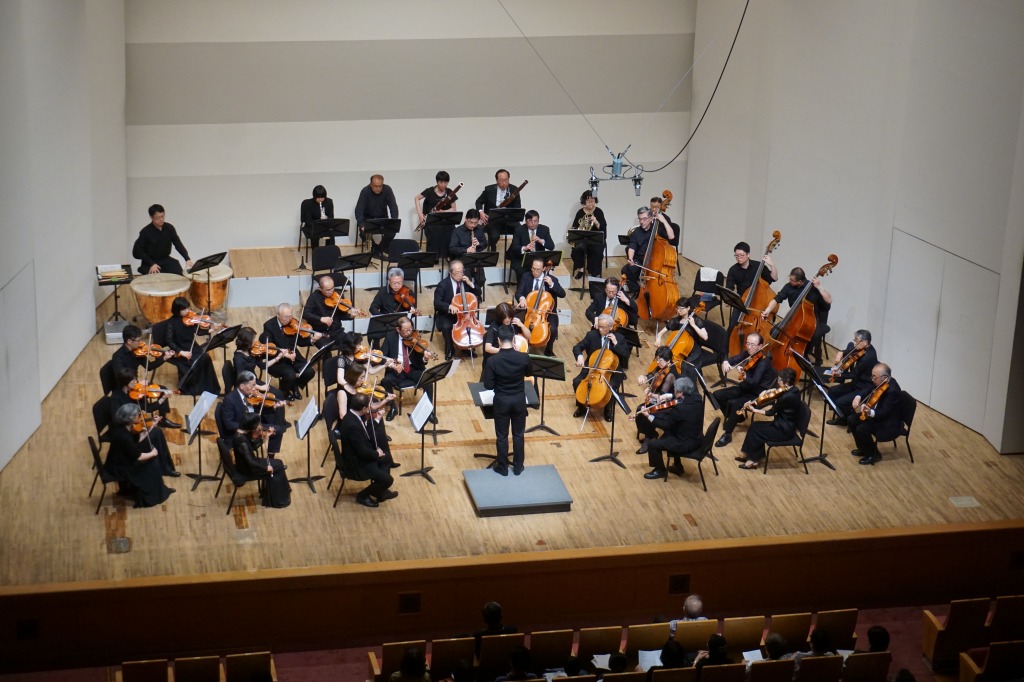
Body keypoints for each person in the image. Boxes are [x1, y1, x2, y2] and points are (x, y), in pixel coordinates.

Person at [110, 367, 179, 477]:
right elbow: (116, 420)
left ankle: (166, 467)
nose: (136, 382)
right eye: (133, 380)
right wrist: (135, 424)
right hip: (127, 433)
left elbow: (149, 408)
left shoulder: (136, 393)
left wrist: (162, 399)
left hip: (135, 427)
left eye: (135, 379)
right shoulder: (116, 398)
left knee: (158, 432)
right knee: (155, 433)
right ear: (125, 383)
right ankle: (160, 467)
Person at [484, 325, 533, 476]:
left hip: (501, 401)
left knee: (502, 436)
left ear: (498, 341)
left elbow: (488, 385)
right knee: (518, 434)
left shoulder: (493, 360)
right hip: (519, 400)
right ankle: (518, 467)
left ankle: (503, 468)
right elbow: (529, 373)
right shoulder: (524, 357)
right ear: (513, 340)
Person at [712, 332, 777, 448]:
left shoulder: (764, 362)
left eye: (752, 345)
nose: (749, 347)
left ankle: (727, 434)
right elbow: (734, 359)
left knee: (735, 404)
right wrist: (726, 362)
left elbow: (755, 382)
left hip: (757, 393)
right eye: (748, 344)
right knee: (717, 395)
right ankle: (737, 417)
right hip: (746, 387)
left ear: (760, 346)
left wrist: (745, 375)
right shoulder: (748, 354)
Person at [105, 403, 175, 508]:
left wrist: (152, 426)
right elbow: (139, 456)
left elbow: (136, 442)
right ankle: (151, 497)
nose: (140, 417)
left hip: (122, 458)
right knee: (153, 464)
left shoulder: (124, 427)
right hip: (120, 466)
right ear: (130, 418)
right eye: (138, 415)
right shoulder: (123, 436)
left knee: (152, 459)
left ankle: (159, 490)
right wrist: (153, 453)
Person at [760, 266, 833, 364]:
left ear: (800, 282)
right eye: (790, 278)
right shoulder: (788, 287)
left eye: (792, 280)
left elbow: (829, 300)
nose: (789, 281)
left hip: (810, 319)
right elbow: (777, 299)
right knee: (774, 331)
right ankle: (776, 353)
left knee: (814, 336)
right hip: (793, 317)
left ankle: (803, 355)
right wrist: (768, 310)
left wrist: (820, 287)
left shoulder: (813, 288)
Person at [336, 391, 396, 508]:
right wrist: (376, 453)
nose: (371, 407)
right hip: (356, 464)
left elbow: (363, 437)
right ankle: (363, 495)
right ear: (363, 409)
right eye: (369, 406)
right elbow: (362, 452)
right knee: (388, 480)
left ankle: (380, 492)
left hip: (358, 455)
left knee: (387, 457)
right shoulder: (353, 426)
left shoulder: (352, 415)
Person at [111, 325, 178, 428]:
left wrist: (164, 358)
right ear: (129, 341)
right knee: (146, 405)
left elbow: (149, 366)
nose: (141, 342)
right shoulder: (118, 357)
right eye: (138, 340)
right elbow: (120, 378)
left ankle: (163, 419)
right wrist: (137, 383)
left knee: (163, 390)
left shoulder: (137, 351)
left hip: (136, 384)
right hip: (126, 388)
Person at [639, 377, 704, 479]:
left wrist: (648, 416)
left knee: (653, 444)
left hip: (686, 442)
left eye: (675, 389)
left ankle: (660, 470)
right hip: (697, 436)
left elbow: (665, 424)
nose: (673, 391)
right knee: (670, 430)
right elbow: (678, 399)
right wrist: (667, 396)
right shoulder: (697, 397)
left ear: (681, 392)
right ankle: (678, 466)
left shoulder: (680, 408)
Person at [736, 367, 801, 470]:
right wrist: (769, 390)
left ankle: (753, 460)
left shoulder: (786, 397)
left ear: (787, 381)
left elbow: (770, 412)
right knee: (754, 426)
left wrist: (754, 410)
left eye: (780, 380)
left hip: (783, 430)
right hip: (783, 424)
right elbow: (780, 392)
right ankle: (751, 456)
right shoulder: (795, 390)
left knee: (756, 431)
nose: (778, 382)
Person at [572, 314, 631, 422]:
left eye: (603, 327)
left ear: (611, 327)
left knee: (611, 386)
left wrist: (615, 343)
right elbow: (577, 347)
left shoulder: (619, 338)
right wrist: (579, 356)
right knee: (577, 381)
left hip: (612, 369)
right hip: (592, 366)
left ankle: (608, 409)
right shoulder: (591, 335)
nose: (600, 329)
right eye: (599, 326)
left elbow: (625, 355)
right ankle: (581, 406)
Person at [232, 327, 290, 432]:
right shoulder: (238, 359)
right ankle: (273, 424)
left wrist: (278, 357)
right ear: (247, 344)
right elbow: (242, 380)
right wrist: (259, 387)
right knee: (271, 397)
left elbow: (263, 365)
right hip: (248, 387)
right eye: (253, 340)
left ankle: (280, 422)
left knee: (278, 393)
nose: (255, 342)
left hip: (254, 381)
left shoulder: (252, 351)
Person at [260, 303, 322, 401]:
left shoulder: (293, 323)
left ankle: (294, 385)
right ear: (278, 315)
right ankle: (284, 392)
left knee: (309, 371)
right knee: (290, 374)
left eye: (290, 316)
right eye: (286, 317)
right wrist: (283, 354)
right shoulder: (269, 326)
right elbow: (269, 347)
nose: (289, 319)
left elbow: (300, 342)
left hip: (294, 356)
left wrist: (313, 340)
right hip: (277, 358)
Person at [380, 316, 436, 421]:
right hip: (398, 369)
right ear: (398, 329)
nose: (409, 332)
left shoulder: (415, 337)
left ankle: (428, 410)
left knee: (429, 380)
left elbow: (420, 359)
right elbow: (382, 356)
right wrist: (393, 364)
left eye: (410, 329)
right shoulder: (390, 337)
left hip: (413, 368)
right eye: (406, 330)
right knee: (385, 381)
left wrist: (425, 358)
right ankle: (393, 408)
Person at [164, 297, 221, 396]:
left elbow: (199, 332)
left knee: (206, 357)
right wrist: (181, 352)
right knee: (197, 361)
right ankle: (197, 389)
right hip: (181, 350)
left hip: (192, 346)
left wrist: (213, 329)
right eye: (184, 309)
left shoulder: (190, 318)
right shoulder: (171, 323)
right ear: (177, 310)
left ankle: (210, 388)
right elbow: (169, 341)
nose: (188, 311)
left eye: (188, 308)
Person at [847, 363, 902, 465]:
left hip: (888, 422)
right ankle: (863, 448)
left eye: (874, 377)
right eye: (872, 376)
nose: (872, 379)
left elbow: (884, 412)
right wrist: (858, 397)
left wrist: (870, 412)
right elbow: (868, 388)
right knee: (851, 419)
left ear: (885, 377)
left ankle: (873, 455)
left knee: (862, 429)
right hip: (877, 414)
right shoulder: (881, 382)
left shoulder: (893, 391)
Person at [222, 371, 287, 457]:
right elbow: (228, 423)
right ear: (242, 386)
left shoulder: (249, 395)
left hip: (255, 424)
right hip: (243, 431)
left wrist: (274, 407)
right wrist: (248, 428)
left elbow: (257, 409)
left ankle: (271, 459)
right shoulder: (230, 400)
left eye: (255, 385)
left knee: (278, 430)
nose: (254, 389)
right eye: (252, 386)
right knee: (275, 430)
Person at [233, 413, 290, 508]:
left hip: (246, 464)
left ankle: (279, 493)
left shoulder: (241, 433)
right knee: (278, 466)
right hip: (248, 469)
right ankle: (279, 500)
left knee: (278, 464)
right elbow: (251, 462)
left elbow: (252, 447)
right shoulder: (241, 441)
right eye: (257, 425)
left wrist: (266, 436)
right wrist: (266, 468)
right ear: (251, 426)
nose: (260, 426)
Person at [825, 329, 878, 425]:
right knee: (832, 391)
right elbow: (850, 351)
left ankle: (845, 419)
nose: (855, 343)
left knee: (840, 402)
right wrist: (841, 352)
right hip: (857, 382)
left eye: (857, 340)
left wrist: (840, 374)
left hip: (863, 387)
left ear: (865, 342)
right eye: (855, 340)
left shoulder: (868, 357)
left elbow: (854, 374)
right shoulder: (863, 347)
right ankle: (841, 413)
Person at [515, 256, 565, 356]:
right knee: (515, 322)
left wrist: (552, 284)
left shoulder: (552, 279)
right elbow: (518, 292)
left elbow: (562, 294)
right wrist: (522, 298)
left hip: (546, 313)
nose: (535, 272)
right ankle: (520, 346)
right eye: (533, 269)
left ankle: (548, 350)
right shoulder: (526, 276)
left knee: (553, 329)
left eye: (538, 269)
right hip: (529, 310)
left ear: (544, 269)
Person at [633, 347, 678, 455]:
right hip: (657, 399)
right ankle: (651, 433)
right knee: (639, 410)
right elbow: (651, 375)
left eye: (660, 360)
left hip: (667, 404)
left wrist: (650, 393)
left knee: (645, 411)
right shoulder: (661, 367)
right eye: (657, 359)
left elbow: (662, 396)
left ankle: (649, 438)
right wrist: (643, 377)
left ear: (668, 360)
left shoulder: (670, 375)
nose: (657, 362)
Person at [433, 260, 480, 361]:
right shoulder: (443, 285)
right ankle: (450, 350)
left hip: (465, 314)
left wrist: (470, 283)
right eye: (457, 272)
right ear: (450, 272)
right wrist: (450, 306)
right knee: (446, 327)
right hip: (448, 314)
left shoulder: (465, 282)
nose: (460, 275)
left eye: (461, 271)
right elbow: (437, 303)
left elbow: (478, 292)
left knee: (469, 325)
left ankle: (466, 348)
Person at [622, 206, 674, 295]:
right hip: (640, 260)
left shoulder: (657, 229)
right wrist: (630, 258)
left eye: (644, 219)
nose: (642, 222)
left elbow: (671, 236)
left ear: (651, 218)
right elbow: (632, 246)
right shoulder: (637, 231)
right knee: (626, 270)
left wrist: (664, 221)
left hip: (655, 262)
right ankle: (637, 290)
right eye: (640, 219)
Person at [724, 241, 778, 328]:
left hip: (758, 302)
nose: (739, 258)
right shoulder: (733, 270)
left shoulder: (758, 266)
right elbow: (729, 288)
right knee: (732, 326)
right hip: (742, 302)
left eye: (741, 255)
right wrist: (729, 300)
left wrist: (772, 265)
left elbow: (774, 278)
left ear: (748, 254)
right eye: (736, 255)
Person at [654, 296, 708, 381]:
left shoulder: (696, 320)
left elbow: (705, 337)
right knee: (665, 358)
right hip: (680, 348)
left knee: (685, 367)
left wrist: (693, 325)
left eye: (681, 308)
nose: (678, 311)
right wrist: (659, 338)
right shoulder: (676, 320)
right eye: (677, 308)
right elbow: (661, 332)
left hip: (693, 351)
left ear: (688, 308)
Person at [132, 204, 193, 275]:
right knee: (157, 277)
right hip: (150, 261)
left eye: (162, 216)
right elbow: (139, 250)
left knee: (179, 274)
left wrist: (187, 258)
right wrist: (151, 263)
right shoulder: (145, 232)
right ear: (151, 217)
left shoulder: (169, 228)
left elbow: (178, 244)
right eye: (158, 217)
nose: (161, 219)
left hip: (165, 259)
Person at [302, 275, 362, 345]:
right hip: (320, 333)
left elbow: (341, 315)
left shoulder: (337, 295)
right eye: (327, 290)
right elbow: (305, 314)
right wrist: (321, 319)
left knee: (352, 344)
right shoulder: (314, 297)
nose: (331, 292)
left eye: (332, 288)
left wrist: (351, 316)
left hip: (337, 331)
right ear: (320, 288)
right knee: (326, 348)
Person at [475, 168, 522, 250]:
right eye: (501, 180)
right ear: (497, 181)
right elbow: (478, 202)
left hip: (509, 219)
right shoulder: (489, 190)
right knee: (494, 236)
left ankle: (510, 253)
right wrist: (481, 212)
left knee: (520, 231)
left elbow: (517, 207)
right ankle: (493, 248)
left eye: (506, 180)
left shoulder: (514, 190)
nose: (504, 183)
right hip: (493, 220)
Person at [481, 302, 529, 379]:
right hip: (498, 359)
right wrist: (503, 350)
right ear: (500, 318)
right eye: (506, 319)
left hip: (510, 357)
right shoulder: (493, 327)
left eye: (510, 318)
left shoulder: (514, 322)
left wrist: (522, 325)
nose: (508, 321)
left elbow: (528, 336)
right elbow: (487, 348)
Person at [354, 174, 399, 255]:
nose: (378, 188)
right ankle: (375, 250)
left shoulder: (387, 189)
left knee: (392, 230)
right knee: (363, 234)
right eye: (375, 186)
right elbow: (359, 209)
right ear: (371, 185)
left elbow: (393, 207)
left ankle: (380, 248)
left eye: (380, 186)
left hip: (382, 218)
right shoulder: (365, 191)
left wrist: (394, 221)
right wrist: (361, 224)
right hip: (368, 219)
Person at [417, 170, 459, 256]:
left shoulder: (450, 192)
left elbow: (454, 209)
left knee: (451, 232)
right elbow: (416, 198)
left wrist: (443, 211)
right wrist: (420, 214)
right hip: (432, 222)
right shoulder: (430, 191)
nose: (443, 185)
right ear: (437, 182)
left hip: (445, 222)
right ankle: (434, 256)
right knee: (435, 232)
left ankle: (448, 256)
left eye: (446, 182)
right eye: (441, 182)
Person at [570, 190, 607, 281]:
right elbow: (575, 227)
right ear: (584, 202)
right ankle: (581, 269)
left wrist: (596, 221)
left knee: (597, 252)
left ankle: (593, 272)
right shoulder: (580, 212)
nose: (591, 203)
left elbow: (603, 229)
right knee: (575, 250)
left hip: (595, 240)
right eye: (588, 201)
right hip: (583, 239)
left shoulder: (599, 212)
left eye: (592, 201)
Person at [507, 210, 555, 281]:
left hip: (538, 259)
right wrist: (525, 248)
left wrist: (541, 241)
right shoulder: (519, 230)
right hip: (522, 258)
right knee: (521, 271)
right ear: (526, 221)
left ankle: (539, 286)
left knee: (547, 267)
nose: (533, 223)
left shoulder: (544, 229)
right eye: (530, 221)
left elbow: (551, 246)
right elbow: (514, 247)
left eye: (535, 221)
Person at [448, 209, 488, 289]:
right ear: (466, 219)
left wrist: (479, 244)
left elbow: (485, 244)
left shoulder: (479, 229)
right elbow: (452, 249)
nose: (473, 225)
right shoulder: (457, 231)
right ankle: (468, 293)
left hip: (475, 260)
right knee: (466, 279)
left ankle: (475, 292)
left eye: (475, 223)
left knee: (481, 279)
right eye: (471, 222)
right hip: (462, 260)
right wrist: (466, 250)